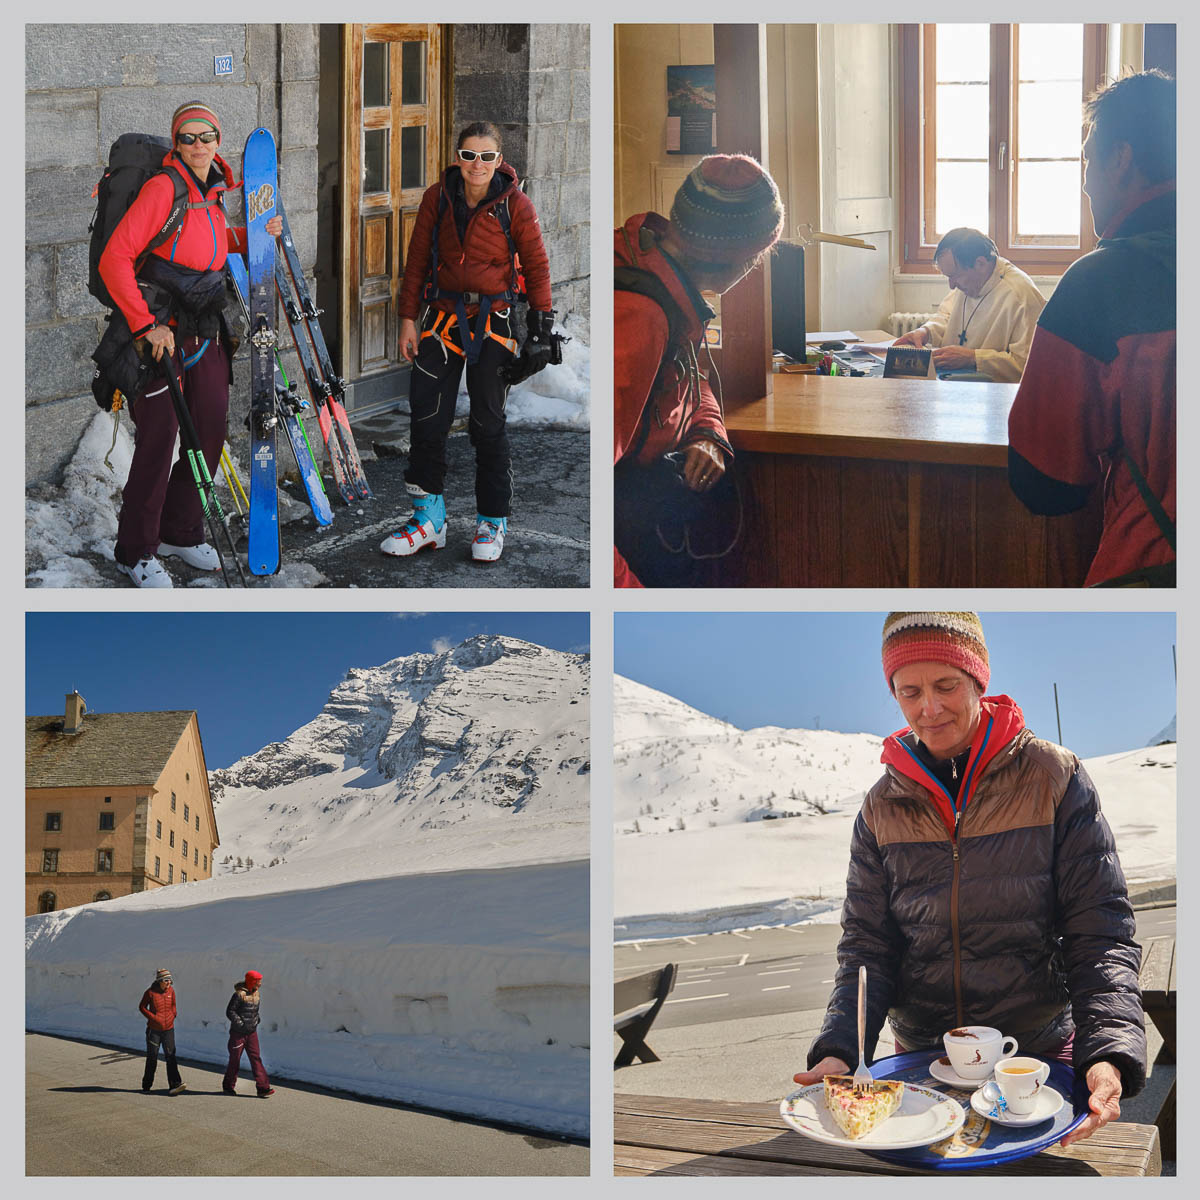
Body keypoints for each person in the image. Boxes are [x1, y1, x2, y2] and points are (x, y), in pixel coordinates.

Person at [794, 612, 1145, 1149]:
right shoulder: (880, 806)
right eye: (908, 691)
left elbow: (1099, 931)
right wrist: (842, 1048)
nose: (928, 709)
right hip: (922, 1065)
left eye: (946, 685)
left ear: (979, 680)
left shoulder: (1053, 777)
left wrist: (1108, 1056)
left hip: (1035, 1058)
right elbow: (867, 946)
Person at [99, 101, 282, 588]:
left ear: (219, 141)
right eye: (189, 138)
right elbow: (115, 259)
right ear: (176, 143)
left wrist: (254, 235)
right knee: (158, 442)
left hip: (204, 326)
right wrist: (143, 326)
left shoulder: (212, 190)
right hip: (159, 331)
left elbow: (213, 241)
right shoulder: (163, 188)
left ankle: (180, 531)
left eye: (207, 137)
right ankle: (134, 551)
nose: (199, 146)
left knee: (208, 433)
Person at [1008, 70, 1175, 587]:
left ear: (1121, 159)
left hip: (1153, 569)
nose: (1083, 180)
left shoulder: (1100, 282)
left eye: (1086, 159)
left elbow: (1044, 482)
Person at [380, 121, 555, 565]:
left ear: (499, 160)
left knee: (487, 421)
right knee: (427, 415)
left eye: (486, 157)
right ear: (457, 157)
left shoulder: (516, 206)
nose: (477, 165)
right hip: (441, 320)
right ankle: (428, 519)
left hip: (492, 322)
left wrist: (540, 330)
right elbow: (417, 259)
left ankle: (492, 520)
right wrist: (406, 319)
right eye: (469, 155)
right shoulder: (437, 199)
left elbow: (536, 267)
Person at [614, 155, 784, 588]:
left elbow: (693, 376)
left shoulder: (661, 275)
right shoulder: (641, 315)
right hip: (630, 546)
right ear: (737, 261)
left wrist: (708, 432)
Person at [892, 228, 1045, 381]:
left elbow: (1027, 366)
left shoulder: (1021, 296)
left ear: (980, 263)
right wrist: (926, 331)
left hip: (997, 397)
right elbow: (947, 316)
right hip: (954, 384)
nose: (951, 286)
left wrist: (974, 358)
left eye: (954, 276)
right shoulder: (971, 282)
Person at [223, 968, 274, 1097]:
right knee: (235, 1060)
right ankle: (228, 1086)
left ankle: (263, 1088)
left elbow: (254, 1011)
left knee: (256, 1058)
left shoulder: (256, 994)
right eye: (258, 981)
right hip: (238, 1034)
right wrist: (240, 1024)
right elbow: (230, 1011)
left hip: (252, 1033)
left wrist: (257, 1020)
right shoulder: (239, 994)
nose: (260, 984)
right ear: (252, 981)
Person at [138, 966, 186, 1094]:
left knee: (171, 1056)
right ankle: (147, 1086)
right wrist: (153, 1018)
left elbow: (174, 1005)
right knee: (152, 1057)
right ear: (159, 980)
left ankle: (175, 1085)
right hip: (154, 1031)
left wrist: (173, 1014)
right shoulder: (150, 993)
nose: (169, 983)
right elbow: (142, 1007)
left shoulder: (171, 991)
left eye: (170, 980)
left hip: (169, 1029)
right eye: (166, 980)